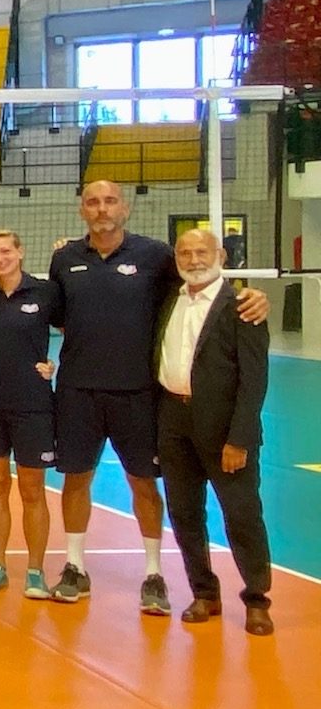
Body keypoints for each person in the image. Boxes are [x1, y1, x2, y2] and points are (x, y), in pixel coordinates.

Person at [47, 180, 267, 610]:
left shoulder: (155, 257)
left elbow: (202, 286)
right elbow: (55, 314)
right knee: (76, 480)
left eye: (110, 201)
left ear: (124, 208)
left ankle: (153, 574)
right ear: (82, 211)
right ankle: (74, 567)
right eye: (93, 202)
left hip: (139, 395)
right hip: (79, 391)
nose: (102, 209)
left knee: (144, 484)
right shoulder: (64, 258)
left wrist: (251, 295)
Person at [157, 228, 273, 636]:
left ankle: (257, 599)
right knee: (185, 515)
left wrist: (239, 438)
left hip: (225, 430)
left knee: (241, 516)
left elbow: (254, 380)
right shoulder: (169, 298)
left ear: (220, 254)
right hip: (173, 422)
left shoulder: (241, 306)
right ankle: (204, 592)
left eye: (201, 251)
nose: (193, 259)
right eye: (185, 253)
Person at [0, 230, 60, 598]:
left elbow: (79, 332)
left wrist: (54, 364)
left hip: (32, 404)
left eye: (6, 251)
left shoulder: (45, 293)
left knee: (33, 489)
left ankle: (35, 572)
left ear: (20, 252)